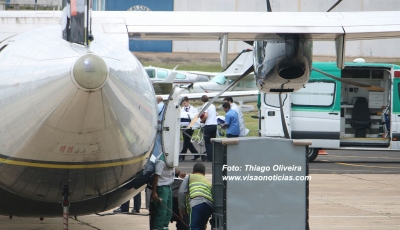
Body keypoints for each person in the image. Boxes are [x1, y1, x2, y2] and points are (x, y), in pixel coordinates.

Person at [151, 154, 185, 230]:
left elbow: (172, 168)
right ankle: (158, 227)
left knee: (168, 212)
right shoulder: (161, 161)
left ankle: (165, 227)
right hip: (162, 187)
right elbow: (156, 176)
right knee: (162, 212)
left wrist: (179, 173)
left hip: (168, 186)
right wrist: (154, 192)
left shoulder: (170, 158)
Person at [178, 163, 213, 230]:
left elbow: (181, 192)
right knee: (201, 227)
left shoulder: (190, 176)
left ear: (193, 171)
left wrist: (181, 208)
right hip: (209, 206)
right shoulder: (207, 182)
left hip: (197, 203)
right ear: (204, 173)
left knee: (193, 227)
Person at [180, 96, 199, 161]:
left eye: (185, 103)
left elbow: (196, 117)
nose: (184, 104)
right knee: (187, 141)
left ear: (188, 102)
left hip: (191, 126)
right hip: (184, 126)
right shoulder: (182, 109)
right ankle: (196, 154)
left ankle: (182, 155)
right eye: (183, 103)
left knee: (186, 141)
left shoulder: (194, 109)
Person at [199, 95, 217, 162]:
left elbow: (206, 115)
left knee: (207, 142)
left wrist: (202, 120)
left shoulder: (205, 106)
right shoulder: (213, 105)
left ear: (202, 100)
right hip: (214, 125)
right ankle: (214, 156)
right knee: (212, 142)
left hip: (208, 125)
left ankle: (210, 157)